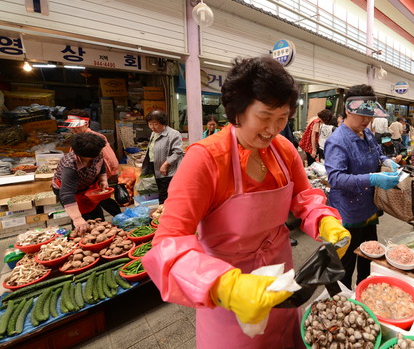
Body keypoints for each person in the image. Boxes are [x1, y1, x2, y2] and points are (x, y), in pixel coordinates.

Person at [142, 56, 350, 348]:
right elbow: (168, 242)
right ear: (237, 110)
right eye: (265, 117)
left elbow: (304, 197)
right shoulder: (205, 159)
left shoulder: (283, 150)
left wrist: (324, 220)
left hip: (281, 284)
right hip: (230, 299)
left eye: (282, 119)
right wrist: (226, 286)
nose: (273, 129)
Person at [324, 84, 400, 289]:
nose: (367, 121)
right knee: (344, 267)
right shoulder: (337, 141)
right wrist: (373, 179)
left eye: (370, 116)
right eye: (362, 116)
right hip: (346, 215)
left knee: (369, 258)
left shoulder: (365, 134)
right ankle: (343, 306)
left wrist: (386, 160)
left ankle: (364, 294)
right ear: (348, 110)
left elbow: (377, 151)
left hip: (368, 210)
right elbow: (336, 179)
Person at [60, 110, 121, 216]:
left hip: (94, 180)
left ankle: (120, 217)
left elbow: (108, 160)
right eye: (71, 125)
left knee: (102, 202)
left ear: (86, 123)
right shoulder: (72, 159)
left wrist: (106, 178)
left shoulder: (95, 139)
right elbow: (67, 193)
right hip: (83, 182)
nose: (72, 128)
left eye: (76, 125)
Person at [52, 133, 109, 236]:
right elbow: (67, 194)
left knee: (96, 214)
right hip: (70, 192)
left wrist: (103, 179)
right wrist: (77, 218)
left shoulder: (97, 154)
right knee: (82, 219)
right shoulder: (70, 166)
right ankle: (82, 239)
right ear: (87, 155)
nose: (102, 151)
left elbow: (101, 164)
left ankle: (102, 234)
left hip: (87, 187)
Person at [141, 110, 184, 204]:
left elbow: (178, 152)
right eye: (150, 124)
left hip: (168, 171)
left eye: (155, 124)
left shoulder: (173, 134)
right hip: (156, 169)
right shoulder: (154, 133)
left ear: (163, 123)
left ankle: (165, 216)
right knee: (161, 193)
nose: (152, 127)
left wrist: (166, 164)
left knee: (165, 197)